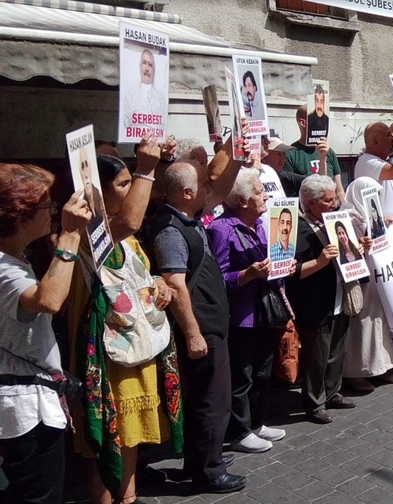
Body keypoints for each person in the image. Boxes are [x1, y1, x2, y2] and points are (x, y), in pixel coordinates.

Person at [70, 137, 186, 504]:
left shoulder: (127, 240)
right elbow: (131, 219)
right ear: (99, 195)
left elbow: (135, 275)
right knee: (107, 443)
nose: (132, 188)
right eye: (123, 184)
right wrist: (146, 168)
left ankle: (129, 498)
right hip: (106, 360)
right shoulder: (84, 235)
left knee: (130, 437)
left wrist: (157, 284)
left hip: (136, 351)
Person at [150, 145, 247, 493]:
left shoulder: (188, 217)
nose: (210, 190)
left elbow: (221, 191)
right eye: (203, 185)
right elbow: (175, 284)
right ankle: (208, 470)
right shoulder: (170, 230)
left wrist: (238, 151)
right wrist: (192, 334)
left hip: (212, 322)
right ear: (187, 192)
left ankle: (205, 454)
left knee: (212, 398)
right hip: (200, 327)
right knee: (210, 401)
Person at [0, 165, 90, 504]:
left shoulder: (14, 257)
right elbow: (49, 300)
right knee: (38, 495)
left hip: (24, 399)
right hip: (22, 407)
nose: (54, 212)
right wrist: (69, 236)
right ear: (19, 215)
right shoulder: (3, 269)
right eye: (47, 206)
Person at [207, 169, 291, 454]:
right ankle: (239, 431)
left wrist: (281, 268)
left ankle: (256, 423)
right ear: (242, 201)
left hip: (264, 311)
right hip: (241, 315)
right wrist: (246, 274)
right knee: (242, 376)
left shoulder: (260, 225)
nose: (265, 194)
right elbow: (216, 279)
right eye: (258, 191)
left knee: (262, 372)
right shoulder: (221, 229)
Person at [285, 175, 358, 424]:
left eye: (334, 199)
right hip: (314, 302)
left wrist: (360, 250)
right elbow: (291, 272)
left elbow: (348, 253)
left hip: (338, 296)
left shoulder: (334, 220)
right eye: (327, 201)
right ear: (310, 203)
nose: (334, 205)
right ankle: (314, 402)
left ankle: (333, 391)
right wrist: (320, 262)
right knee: (316, 355)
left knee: (337, 349)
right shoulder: (299, 228)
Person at [341, 178, 393, 392]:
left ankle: (381, 366)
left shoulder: (371, 215)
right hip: (360, 279)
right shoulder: (347, 217)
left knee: (379, 321)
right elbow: (347, 250)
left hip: (376, 277)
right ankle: (356, 372)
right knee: (363, 325)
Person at [354, 116, 393, 219]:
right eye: (388, 135)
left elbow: (392, 139)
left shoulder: (377, 158)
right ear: (376, 142)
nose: (392, 138)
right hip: (385, 229)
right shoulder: (367, 162)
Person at [283, 105, 345, 203]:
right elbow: (289, 194)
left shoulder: (329, 151)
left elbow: (339, 190)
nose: (322, 123)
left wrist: (344, 208)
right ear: (303, 122)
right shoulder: (291, 154)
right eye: (317, 119)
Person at [122, 49, 167, 130]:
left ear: (154, 70)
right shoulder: (130, 95)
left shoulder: (160, 97)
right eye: (144, 63)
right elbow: (126, 124)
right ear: (140, 67)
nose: (147, 68)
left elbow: (163, 125)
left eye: (150, 65)